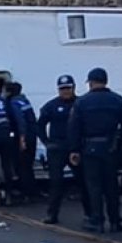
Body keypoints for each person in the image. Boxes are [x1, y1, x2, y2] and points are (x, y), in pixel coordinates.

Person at [68, 68, 122, 233]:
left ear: (90, 82)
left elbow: (74, 127)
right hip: (111, 148)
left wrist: (74, 150)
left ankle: (96, 220)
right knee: (111, 186)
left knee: (94, 186)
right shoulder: (118, 100)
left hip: (90, 148)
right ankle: (115, 221)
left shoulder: (82, 102)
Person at [38, 75, 90, 225]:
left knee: (83, 182)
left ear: (73, 88)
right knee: (56, 183)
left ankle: (89, 214)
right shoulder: (51, 106)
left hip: (76, 148)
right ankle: (52, 214)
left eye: (68, 88)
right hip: (57, 148)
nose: (65, 91)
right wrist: (46, 142)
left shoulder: (80, 104)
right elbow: (40, 125)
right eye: (62, 89)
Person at [4, 81, 40, 202]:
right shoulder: (24, 100)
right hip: (32, 136)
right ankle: (33, 192)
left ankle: (26, 193)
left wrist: (22, 139)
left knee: (21, 166)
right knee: (28, 166)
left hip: (23, 137)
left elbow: (21, 122)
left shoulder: (14, 103)